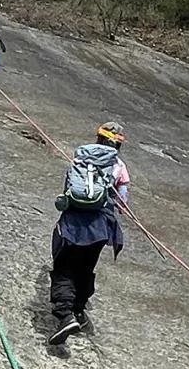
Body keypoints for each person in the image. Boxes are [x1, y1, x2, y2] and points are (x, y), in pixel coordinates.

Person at [47, 122, 129, 346]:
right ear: (118, 145)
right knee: (85, 268)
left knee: (64, 268)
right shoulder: (119, 167)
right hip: (100, 227)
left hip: (73, 224)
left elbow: (68, 188)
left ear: (98, 139)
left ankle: (65, 316)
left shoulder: (81, 159)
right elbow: (122, 204)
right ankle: (79, 311)